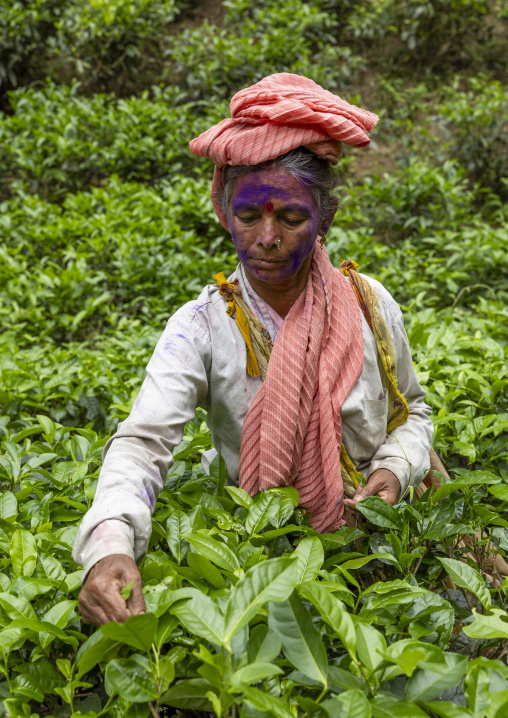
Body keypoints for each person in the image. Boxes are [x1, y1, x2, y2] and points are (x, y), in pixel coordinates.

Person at [74, 73, 434, 626]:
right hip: (265, 557)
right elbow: (142, 445)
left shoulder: (368, 302)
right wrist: (110, 545)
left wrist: (396, 469)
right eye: (248, 216)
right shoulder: (203, 326)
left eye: (291, 217)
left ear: (324, 220)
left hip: (386, 542)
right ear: (226, 215)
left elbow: (414, 411)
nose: (267, 237)